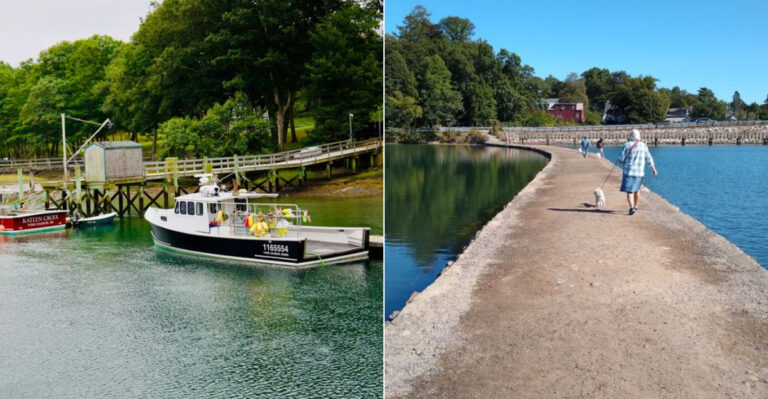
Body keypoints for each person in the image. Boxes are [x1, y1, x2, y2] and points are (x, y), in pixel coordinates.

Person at [618, 129, 657, 215]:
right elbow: (649, 158)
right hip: (640, 172)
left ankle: (631, 208)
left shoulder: (627, 145)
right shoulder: (643, 146)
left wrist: (621, 161)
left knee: (629, 191)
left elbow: (621, 158)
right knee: (637, 190)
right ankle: (636, 207)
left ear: (630, 136)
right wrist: (653, 168)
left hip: (629, 172)